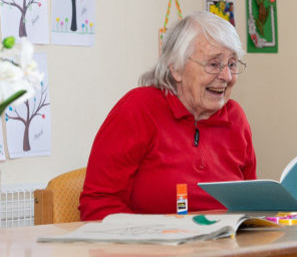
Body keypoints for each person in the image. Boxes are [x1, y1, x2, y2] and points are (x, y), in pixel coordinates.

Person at [79, 11, 256, 221]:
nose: (226, 76)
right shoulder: (139, 108)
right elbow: (99, 203)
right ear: (176, 68)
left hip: (227, 248)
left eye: (232, 64)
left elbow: (250, 203)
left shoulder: (235, 118)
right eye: (214, 64)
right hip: (155, 249)